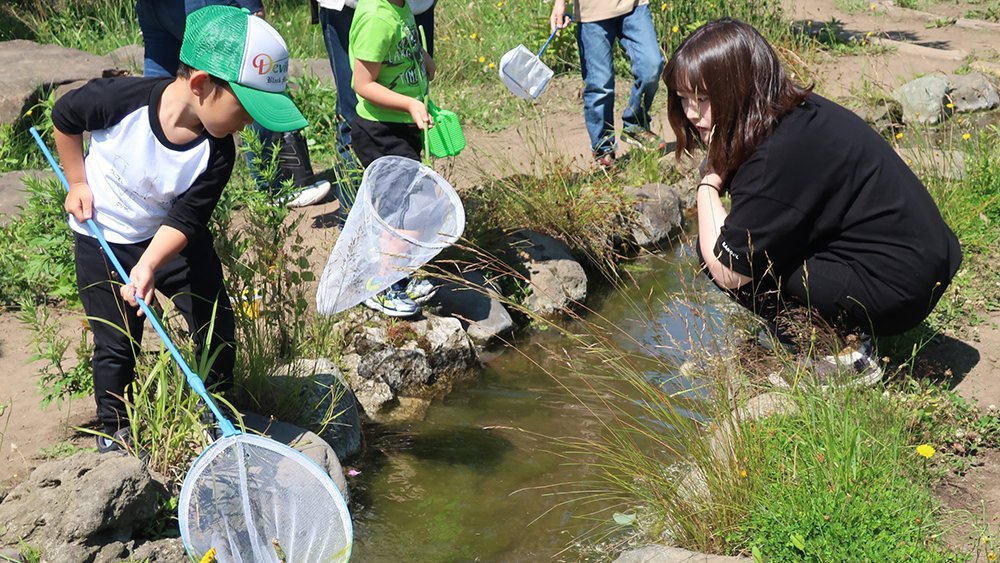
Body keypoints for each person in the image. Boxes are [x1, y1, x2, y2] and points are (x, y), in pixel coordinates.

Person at [53, 5, 309, 452]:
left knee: (214, 322)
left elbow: (187, 218)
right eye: (245, 108)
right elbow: (65, 117)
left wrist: (150, 264)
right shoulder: (120, 100)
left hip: (169, 241)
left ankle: (219, 410)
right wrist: (77, 181)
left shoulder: (218, 153)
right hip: (103, 237)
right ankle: (113, 428)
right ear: (201, 85)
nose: (249, 122)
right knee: (116, 341)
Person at [663, 18, 962, 374]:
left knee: (717, 251)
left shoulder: (774, 157)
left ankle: (841, 350)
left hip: (898, 290)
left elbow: (729, 272)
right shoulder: (794, 111)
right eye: (683, 99)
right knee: (744, 244)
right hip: (923, 261)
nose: (693, 114)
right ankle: (825, 327)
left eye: (704, 98)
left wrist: (709, 183)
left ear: (740, 88)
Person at [136, 0, 331, 208]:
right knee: (248, 81)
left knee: (162, 95)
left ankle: (151, 195)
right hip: (200, 4)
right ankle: (280, 184)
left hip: (153, 8)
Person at [348, 0, 438, 317]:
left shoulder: (399, 8)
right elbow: (362, 84)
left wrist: (424, 61)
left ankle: (398, 274)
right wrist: (410, 104)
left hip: (400, 125)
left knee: (401, 206)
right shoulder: (376, 17)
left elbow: (405, 47)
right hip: (380, 130)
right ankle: (381, 285)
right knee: (409, 206)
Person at [549, 0, 665, 168]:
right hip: (591, 13)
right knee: (599, 85)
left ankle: (635, 125)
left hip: (634, 7)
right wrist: (560, 4)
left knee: (651, 67)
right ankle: (603, 149)